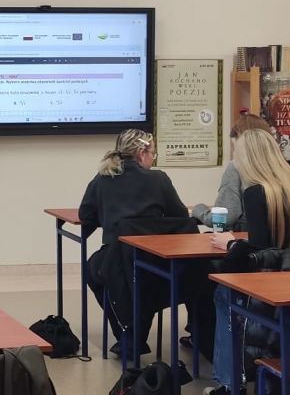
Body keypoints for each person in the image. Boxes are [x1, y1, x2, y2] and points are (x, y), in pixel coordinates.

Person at [202, 126, 290, 395]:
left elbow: (262, 256)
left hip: (274, 297)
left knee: (224, 294)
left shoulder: (256, 194)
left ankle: (232, 387)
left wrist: (231, 245)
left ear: (248, 159)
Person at [79, 129, 201, 355]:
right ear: (142, 153)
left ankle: (127, 334)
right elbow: (180, 217)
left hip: (115, 261)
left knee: (92, 271)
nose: (153, 159)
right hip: (156, 262)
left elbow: (86, 216)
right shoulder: (159, 179)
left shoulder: (102, 179)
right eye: (153, 153)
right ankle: (196, 332)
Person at [189, 112, 272, 230]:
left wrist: (199, 209)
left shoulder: (236, 167)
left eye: (235, 147)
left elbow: (224, 218)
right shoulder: (281, 168)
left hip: (246, 238)